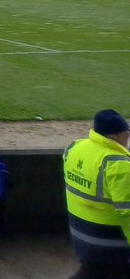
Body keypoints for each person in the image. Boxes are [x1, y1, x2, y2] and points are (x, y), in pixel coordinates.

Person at [63, 109, 130, 276]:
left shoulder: (75, 148)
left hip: (80, 236)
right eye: (126, 134)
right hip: (110, 242)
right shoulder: (118, 164)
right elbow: (127, 212)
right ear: (116, 136)